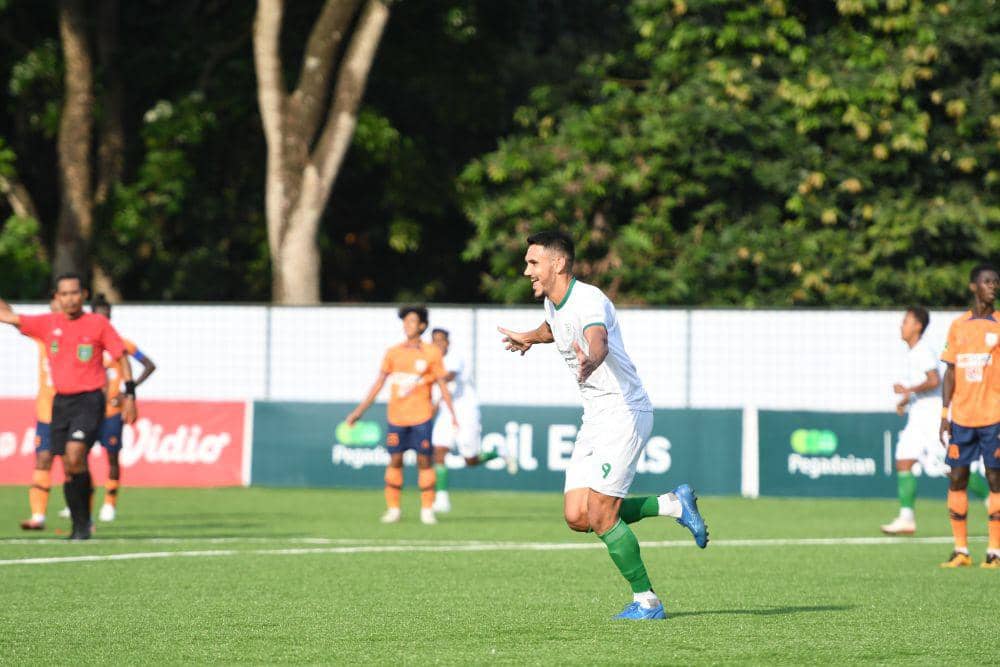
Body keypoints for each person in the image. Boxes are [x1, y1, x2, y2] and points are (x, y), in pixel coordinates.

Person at [497, 230, 708, 620]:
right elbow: (554, 329)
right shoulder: (554, 304)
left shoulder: (590, 299)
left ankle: (648, 601)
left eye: (533, 263)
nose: (527, 271)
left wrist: (593, 359)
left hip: (624, 412)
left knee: (602, 514)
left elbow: (598, 339)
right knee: (579, 516)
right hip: (595, 415)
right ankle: (672, 504)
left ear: (557, 263)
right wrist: (529, 337)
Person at [0, 273, 136, 540]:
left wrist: (130, 394)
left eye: (75, 293)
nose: (70, 298)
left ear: (83, 295)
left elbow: (120, 356)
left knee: (74, 454)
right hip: (60, 402)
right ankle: (80, 523)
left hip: (90, 400)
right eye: (64, 294)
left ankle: (83, 523)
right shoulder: (47, 324)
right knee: (71, 465)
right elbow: (8, 316)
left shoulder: (97, 324)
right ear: (57, 298)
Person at [346, 306, 458, 525]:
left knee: (424, 461)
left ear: (422, 326)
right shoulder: (393, 353)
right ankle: (394, 509)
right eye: (405, 321)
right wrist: (358, 412)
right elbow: (378, 383)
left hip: (422, 417)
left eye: (412, 321)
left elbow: (442, 385)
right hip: (396, 417)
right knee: (395, 460)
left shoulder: (431, 353)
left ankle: (427, 509)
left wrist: (453, 414)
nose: (408, 325)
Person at [939, 264, 1000, 568]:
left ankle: (995, 552)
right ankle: (961, 550)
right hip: (961, 417)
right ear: (973, 286)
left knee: (995, 479)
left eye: (996, 282)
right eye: (987, 282)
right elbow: (950, 370)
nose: (993, 286)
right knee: (957, 478)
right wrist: (944, 413)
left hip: (994, 416)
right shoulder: (958, 326)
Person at [429, 328, 516, 514]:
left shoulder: (454, 358)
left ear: (447, 342)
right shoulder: (432, 363)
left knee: (470, 460)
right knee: (439, 450)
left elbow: (448, 377)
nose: (438, 344)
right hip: (447, 413)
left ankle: (497, 452)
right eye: (434, 340)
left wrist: (427, 378)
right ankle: (442, 499)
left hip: (466, 412)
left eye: (441, 340)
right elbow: (439, 394)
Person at [91, 294, 156, 522]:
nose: (104, 321)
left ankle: (109, 503)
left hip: (111, 412)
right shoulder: (86, 345)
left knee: (111, 457)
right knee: (77, 457)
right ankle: (82, 503)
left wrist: (129, 391)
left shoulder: (122, 345)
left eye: (107, 317)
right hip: (87, 410)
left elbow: (149, 365)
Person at [18, 293, 62, 530]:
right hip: (46, 412)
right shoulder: (44, 333)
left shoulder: (81, 330)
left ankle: (83, 517)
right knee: (43, 459)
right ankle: (38, 516)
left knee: (74, 462)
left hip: (73, 409)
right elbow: (11, 318)